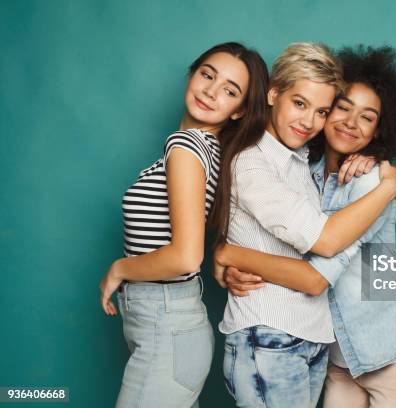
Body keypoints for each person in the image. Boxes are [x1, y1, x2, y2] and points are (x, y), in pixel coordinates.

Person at [216, 45, 396, 408]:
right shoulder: (304, 167)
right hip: (337, 354)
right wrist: (223, 260)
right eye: (341, 108)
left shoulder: (372, 183)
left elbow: (315, 277)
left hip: (395, 349)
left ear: (380, 130)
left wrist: (230, 253)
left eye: (367, 117)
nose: (350, 122)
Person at [98, 42, 269, 408]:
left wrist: (118, 269)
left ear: (239, 111)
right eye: (207, 75)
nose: (211, 90)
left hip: (167, 327)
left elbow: (187, 257)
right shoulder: (209, 149)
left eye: (229, 90)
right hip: (168, 326)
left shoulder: (186, 145)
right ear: (192, 74)